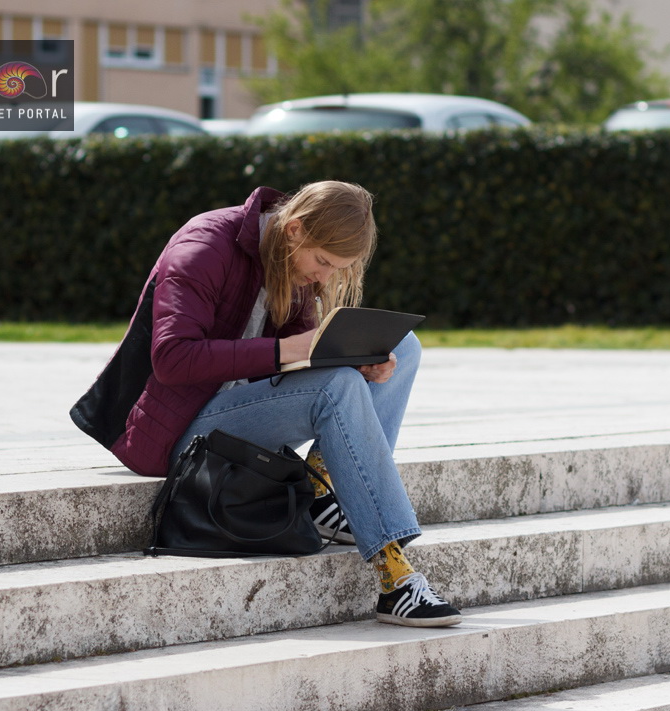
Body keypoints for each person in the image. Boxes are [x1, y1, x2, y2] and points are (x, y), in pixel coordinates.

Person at [91, 180, 461, 628]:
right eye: (323, 261)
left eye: (337, 268)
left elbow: (292, 361)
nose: (325, 277)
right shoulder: (204, 244)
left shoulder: (294, 265)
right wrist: (296, 352)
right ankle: (395, 578)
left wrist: (356, 363)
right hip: (181, 433)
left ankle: (325, 496)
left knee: (403, 348)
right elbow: (173, 358)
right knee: (336, 387)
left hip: (242, 413)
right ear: (294, 230)